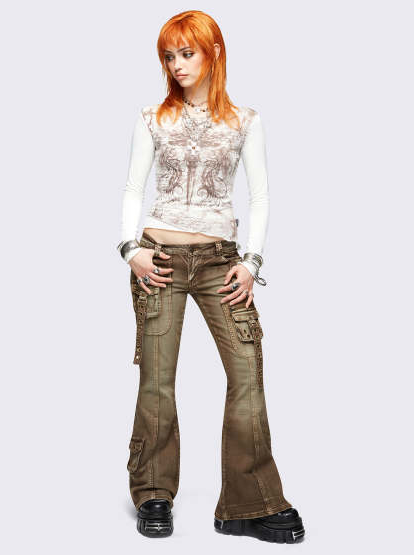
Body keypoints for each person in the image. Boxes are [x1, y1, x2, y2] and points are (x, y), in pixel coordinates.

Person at [117, 10, 305, 543]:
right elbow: (133, 188)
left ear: (214, 52)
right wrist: (131, 250)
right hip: (160, 258)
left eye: (187, 53)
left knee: (247, 373)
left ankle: (249, 504)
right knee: (158, 379)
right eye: (169, 56)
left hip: (222, 261)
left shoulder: (244, 120)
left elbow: (261, 196)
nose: (177, 65)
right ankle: (154, 492)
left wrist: (252, 261)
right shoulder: (153, 117)